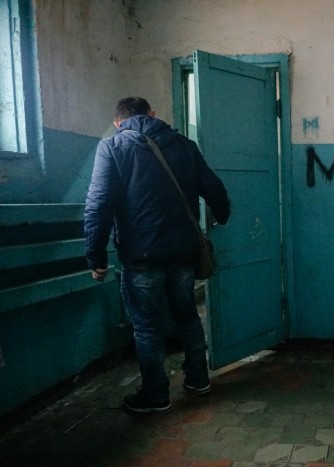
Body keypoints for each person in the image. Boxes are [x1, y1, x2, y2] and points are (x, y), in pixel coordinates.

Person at [84, 97, 230, 415]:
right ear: (152, 114)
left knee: (147, 328)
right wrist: (222, 217)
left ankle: (156, 396)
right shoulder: (185, 145)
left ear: (118, 122)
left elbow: (99, 203)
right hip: (184, 253)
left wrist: (96, 256)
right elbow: (214, 187)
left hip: (142, 256)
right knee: (187, 316)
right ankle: (198, 380)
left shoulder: (112, 146)